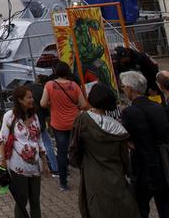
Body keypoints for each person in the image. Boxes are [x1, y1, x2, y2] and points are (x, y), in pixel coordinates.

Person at [71, 82, 139, 218]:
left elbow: (74, 148)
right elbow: (124, 158)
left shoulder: (82, 120)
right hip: (115, 175)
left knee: (96, 208)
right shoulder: (118, 129)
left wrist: (79, 163)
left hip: (92, 173)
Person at [120, 70, 169, 218]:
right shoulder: (158, 107)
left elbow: (126, 137)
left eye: (123, 86)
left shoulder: (129, 112)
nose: (123, 89)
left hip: (142, 166)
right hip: (162, 164)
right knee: (165, 206)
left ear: (130, 88)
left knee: (139, 207)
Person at [0, 84, 49, 218]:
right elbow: (1, 140)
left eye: (32, 97)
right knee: (22, 201)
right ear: (20, 100)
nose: (32, 100)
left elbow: (39, 140)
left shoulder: (35, 116)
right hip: (18, 166)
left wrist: (45, 162)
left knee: (35, 201)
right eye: (29, 97)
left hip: (35, 166)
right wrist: (2, 161)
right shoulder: (10, 116)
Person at [40, 61, 86, 191]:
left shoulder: (50, 85)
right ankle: (86, 179)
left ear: (55, 72)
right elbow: (83, 104)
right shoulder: (74, 85)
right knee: (79, 150)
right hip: (75, 123)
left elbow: (43, 103)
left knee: (61, 152)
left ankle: (63, 182)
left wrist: (52, 105)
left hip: (58, 123)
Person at [27, 75, 58, 176]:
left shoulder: (28, 88)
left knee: (30, 145)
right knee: (47, 144)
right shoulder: (43, 91)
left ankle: (34, 168)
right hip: (39, 121)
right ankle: (55, 168)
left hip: (26, 121)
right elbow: (46, 110)